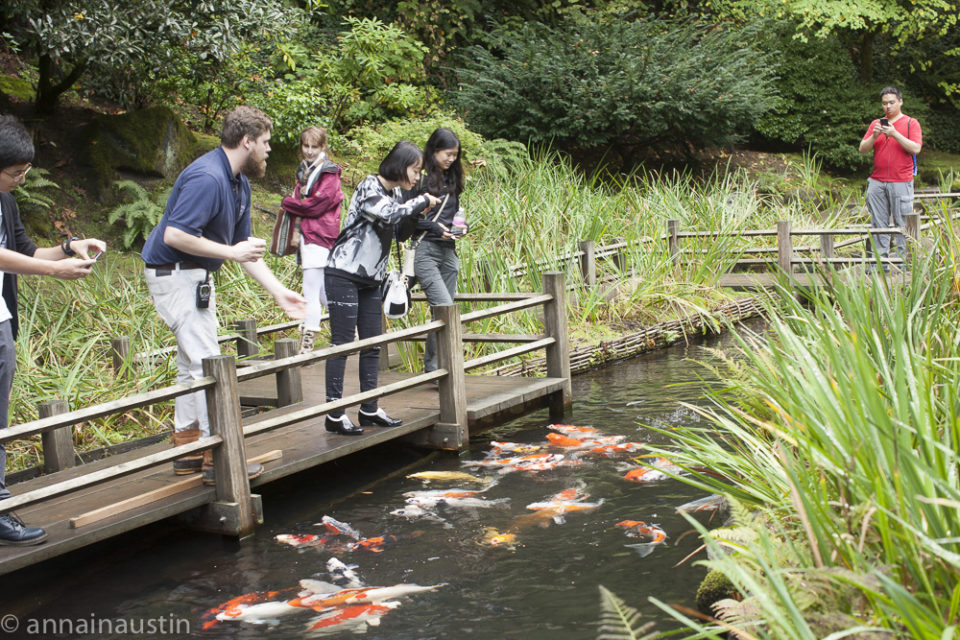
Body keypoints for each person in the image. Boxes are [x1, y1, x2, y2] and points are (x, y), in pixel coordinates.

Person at [141, 106, 306, 485]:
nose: (268, 151)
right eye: (265, 143)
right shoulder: (207, 177)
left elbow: (241, 246)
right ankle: (219, 456)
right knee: (207, 365)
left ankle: (187, 448)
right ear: (247, 141)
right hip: (175, 275)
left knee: (191, 366)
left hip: (194, 276)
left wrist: (280, 292)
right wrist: (231, 253)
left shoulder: (238, 182)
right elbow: (175, 236)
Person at [0, 115, 106, 545]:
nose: (22, 180)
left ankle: (0, 507)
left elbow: (23, 251)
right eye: (15, 173)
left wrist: (68, 247)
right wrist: (54, 270)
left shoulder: (6, 202)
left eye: (26, 173)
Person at [323, 141, 440, 435]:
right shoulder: (369, 186)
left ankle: (369, 407)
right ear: (401, 166)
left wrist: (417, 213)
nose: (417, 177)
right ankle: (334, 413)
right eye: (415, 170)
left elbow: (400, 231)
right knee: (343, 344)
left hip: (372, 278)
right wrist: (420, 201)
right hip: (344, 273)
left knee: (373, 344)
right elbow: (388, 214)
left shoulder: (397, 193)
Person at [402, 128, 467, 378]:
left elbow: (453, 216)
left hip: (448, 252)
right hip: (426, 250)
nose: (450, 159)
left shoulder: (452, 182)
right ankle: (436, 370)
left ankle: (436, 367)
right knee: (444, 308)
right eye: (446, 154)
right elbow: (406, 217)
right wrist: (434, 227)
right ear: (434, 151)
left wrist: (460, 228)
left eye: (455, 155)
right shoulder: (420, 181)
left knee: (441, 312)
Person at [280, 126, 343, 354]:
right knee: (324, 292)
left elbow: (316, 206)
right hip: (312, 236)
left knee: (310, 292)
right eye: (305, 146)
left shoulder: (328, 173)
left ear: (323, 146)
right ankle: (349, 333)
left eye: (313, 147)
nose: (308, 151)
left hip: (319, 236)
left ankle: (307, 344)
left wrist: (288, 203)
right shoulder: (306, 171)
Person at [859, 85, 923, 266]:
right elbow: (862, 149)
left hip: (901, 181)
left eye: (892, 103)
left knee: (904, 223)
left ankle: (906, 264)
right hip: (877, 181)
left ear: (900, 102)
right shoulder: (876, 124)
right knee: (878, 223)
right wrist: (874, 135)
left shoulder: (911, 123)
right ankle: (880, 264)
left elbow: (915, 148)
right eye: (885, 103)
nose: (888, 107)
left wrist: (895, 133)